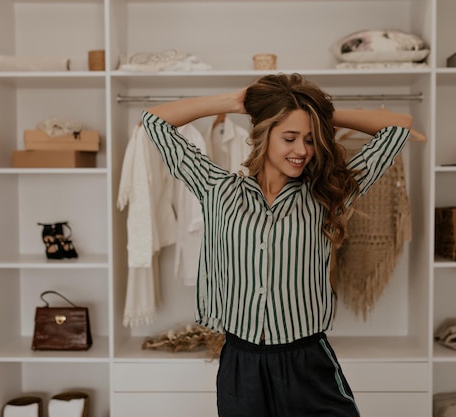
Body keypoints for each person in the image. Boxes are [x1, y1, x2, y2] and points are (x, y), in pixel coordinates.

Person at [141, 73, 412, 417]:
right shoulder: (218, 190)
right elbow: (155, 122)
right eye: (290, 137)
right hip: (241, 363)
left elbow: (398, 127)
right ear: (263, 135)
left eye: (311, 139)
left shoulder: (328, 194)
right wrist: (233, 103)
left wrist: (317, 111)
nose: (302, 150)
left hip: (307, 360)